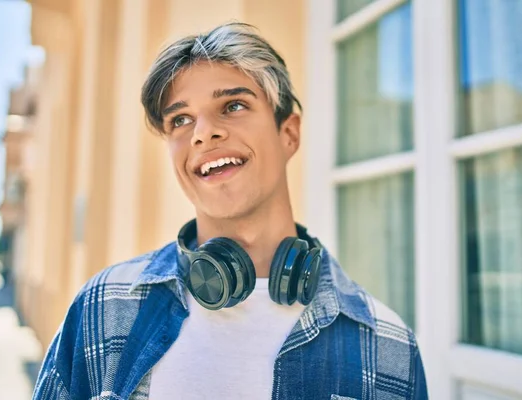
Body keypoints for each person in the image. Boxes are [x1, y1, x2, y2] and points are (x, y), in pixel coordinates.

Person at [33, 22, 428, 400]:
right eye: (181, 119)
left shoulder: (390, 347)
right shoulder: (102, 308)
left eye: (233, 105)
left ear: (288, 133)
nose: (203, 132)